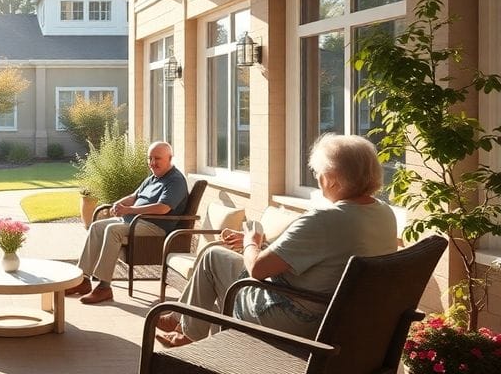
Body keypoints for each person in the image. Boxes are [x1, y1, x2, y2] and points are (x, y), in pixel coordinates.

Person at [155, 134, 397, 347]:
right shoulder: (385, 214)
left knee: (212, 257)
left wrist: (252, 241)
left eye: (318, 172)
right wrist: (261, 244)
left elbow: (258, 269)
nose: (317, 178)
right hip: (340, 320)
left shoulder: (326, 219)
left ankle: (188, 334)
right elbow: (324, 255)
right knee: (219, 263)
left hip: (293, 319)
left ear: (333, 178)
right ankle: (183, 324)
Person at [67, 141, 189, 304]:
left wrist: (129, 210)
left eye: (157, 158)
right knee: (96, 227)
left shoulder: (175, 180)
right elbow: (134, 197)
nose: (152, 163)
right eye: (150, 158)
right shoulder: (153, 177)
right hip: (135, 222)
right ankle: (82, 280)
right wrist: (119, 203)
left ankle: (104, 287)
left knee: (112, 230)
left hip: (155, 226)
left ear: (170, 158)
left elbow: (163, 208)